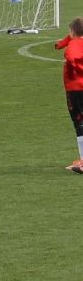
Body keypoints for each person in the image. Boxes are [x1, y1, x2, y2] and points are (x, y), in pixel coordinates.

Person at [56, 17, 83, 172]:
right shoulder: (76, 41)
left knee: (79, 123)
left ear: (72, 31)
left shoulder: (74, 45)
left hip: (76, 89)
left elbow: (72, 56)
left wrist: (74, 69)